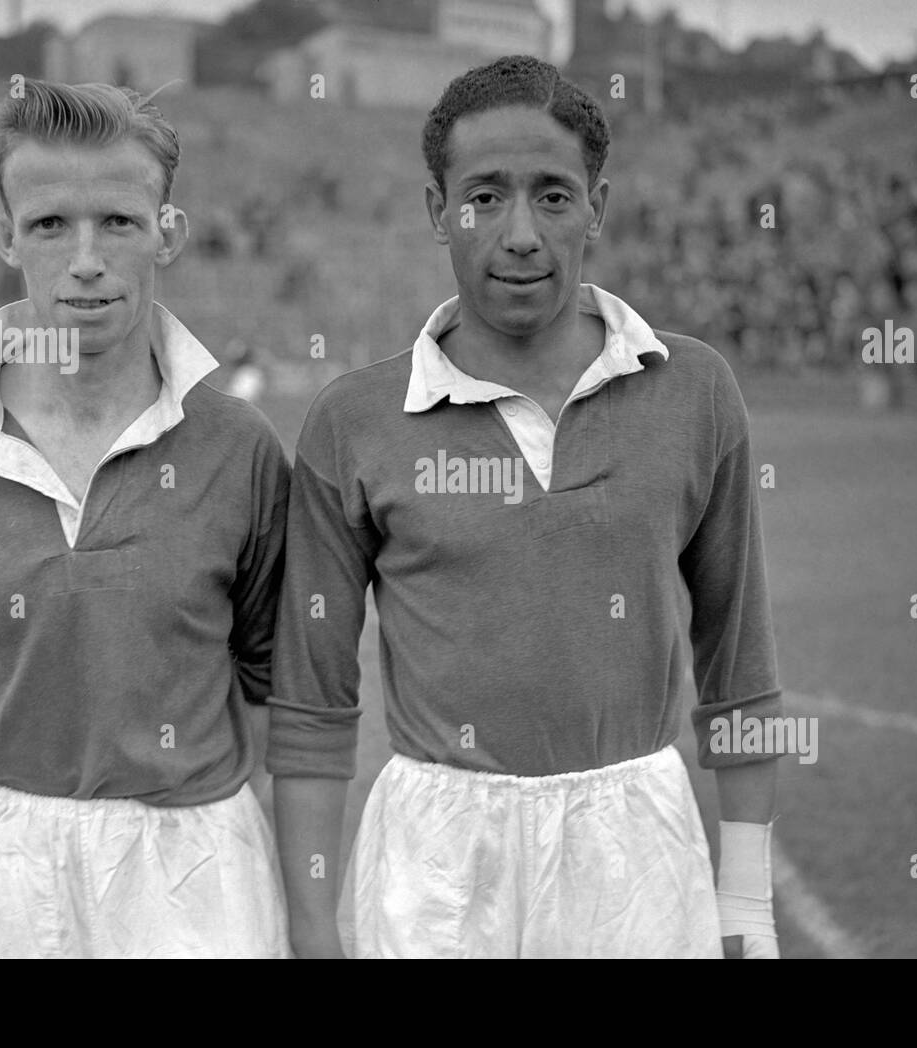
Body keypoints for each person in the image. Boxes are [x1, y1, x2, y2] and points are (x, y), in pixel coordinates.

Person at [268, 55, 783, 959]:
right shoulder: (353, 422)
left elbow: (739, 664)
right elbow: (313, 706)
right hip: (435, 869)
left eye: (552, 195)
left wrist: (747, 905)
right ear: (439, 211)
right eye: (484, 197)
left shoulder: (694, 391)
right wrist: (312, 928)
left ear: (597, 206)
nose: (519, 235)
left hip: (637, 857)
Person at [0, 80, 291, 958]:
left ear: (166, 235)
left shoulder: (242, 449)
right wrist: (30, 807)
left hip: (193, 875)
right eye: (51, 225)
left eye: (119, 223)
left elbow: (263, 683)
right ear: (5, 237)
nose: (86, 259)